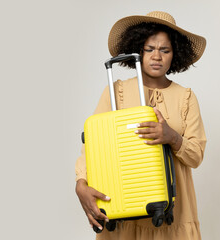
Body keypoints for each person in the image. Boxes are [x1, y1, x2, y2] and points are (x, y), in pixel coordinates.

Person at [75, 11, 207, 240]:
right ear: (137, 50)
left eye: (165, 50)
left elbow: (196, 156)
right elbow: (93, 146)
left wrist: (172, 137)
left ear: (174, 54)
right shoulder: (116, 91)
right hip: (123, 213)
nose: (157, 56)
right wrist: (81, 183)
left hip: (172, 218)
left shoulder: (186, 97)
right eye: (149, 49)